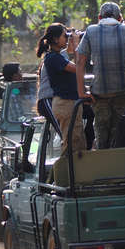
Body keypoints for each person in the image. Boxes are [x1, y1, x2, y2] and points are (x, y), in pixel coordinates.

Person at [76, 2, 125, 149]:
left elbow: (80, 60)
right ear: (120, 18)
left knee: (102, 135)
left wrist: (81, 92)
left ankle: (104, 160)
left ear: (99, 17)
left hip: (100, 94)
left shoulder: (91, 31)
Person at [37, 24, 85, 155]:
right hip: (63, 103)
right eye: (65, 36)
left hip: (70, 102)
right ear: (56, 39)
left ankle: (75, 172)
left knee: (78, 142)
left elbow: (70, 54)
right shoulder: (53, 58)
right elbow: (79, 68)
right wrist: (76, 44)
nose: (67, 38)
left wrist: (74, 39)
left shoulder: (58, 55)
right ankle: (62, 174)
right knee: (71, 143)